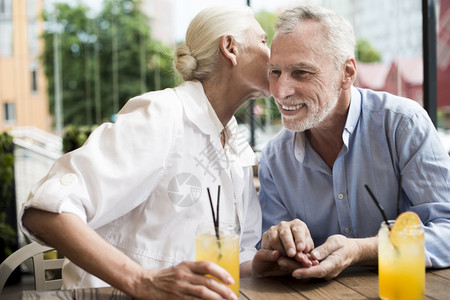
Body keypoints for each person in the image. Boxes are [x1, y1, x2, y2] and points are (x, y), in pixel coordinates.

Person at [20, 5, 270, 300]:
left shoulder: (234, 137)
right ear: (230, 47)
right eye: (264, 41)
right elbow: (46, 210)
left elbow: (233, 259)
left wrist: (264, 264)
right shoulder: (163, 115)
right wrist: (141, 281)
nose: (272, 53)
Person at [254, 5, 450, 280]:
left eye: (301, 72)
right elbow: (269, 256)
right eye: (275, 71)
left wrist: (361, 250)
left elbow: (448, 229)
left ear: (347, 72)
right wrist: (279, 247)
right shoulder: (274, 158)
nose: (281, 90)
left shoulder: (403, 124)